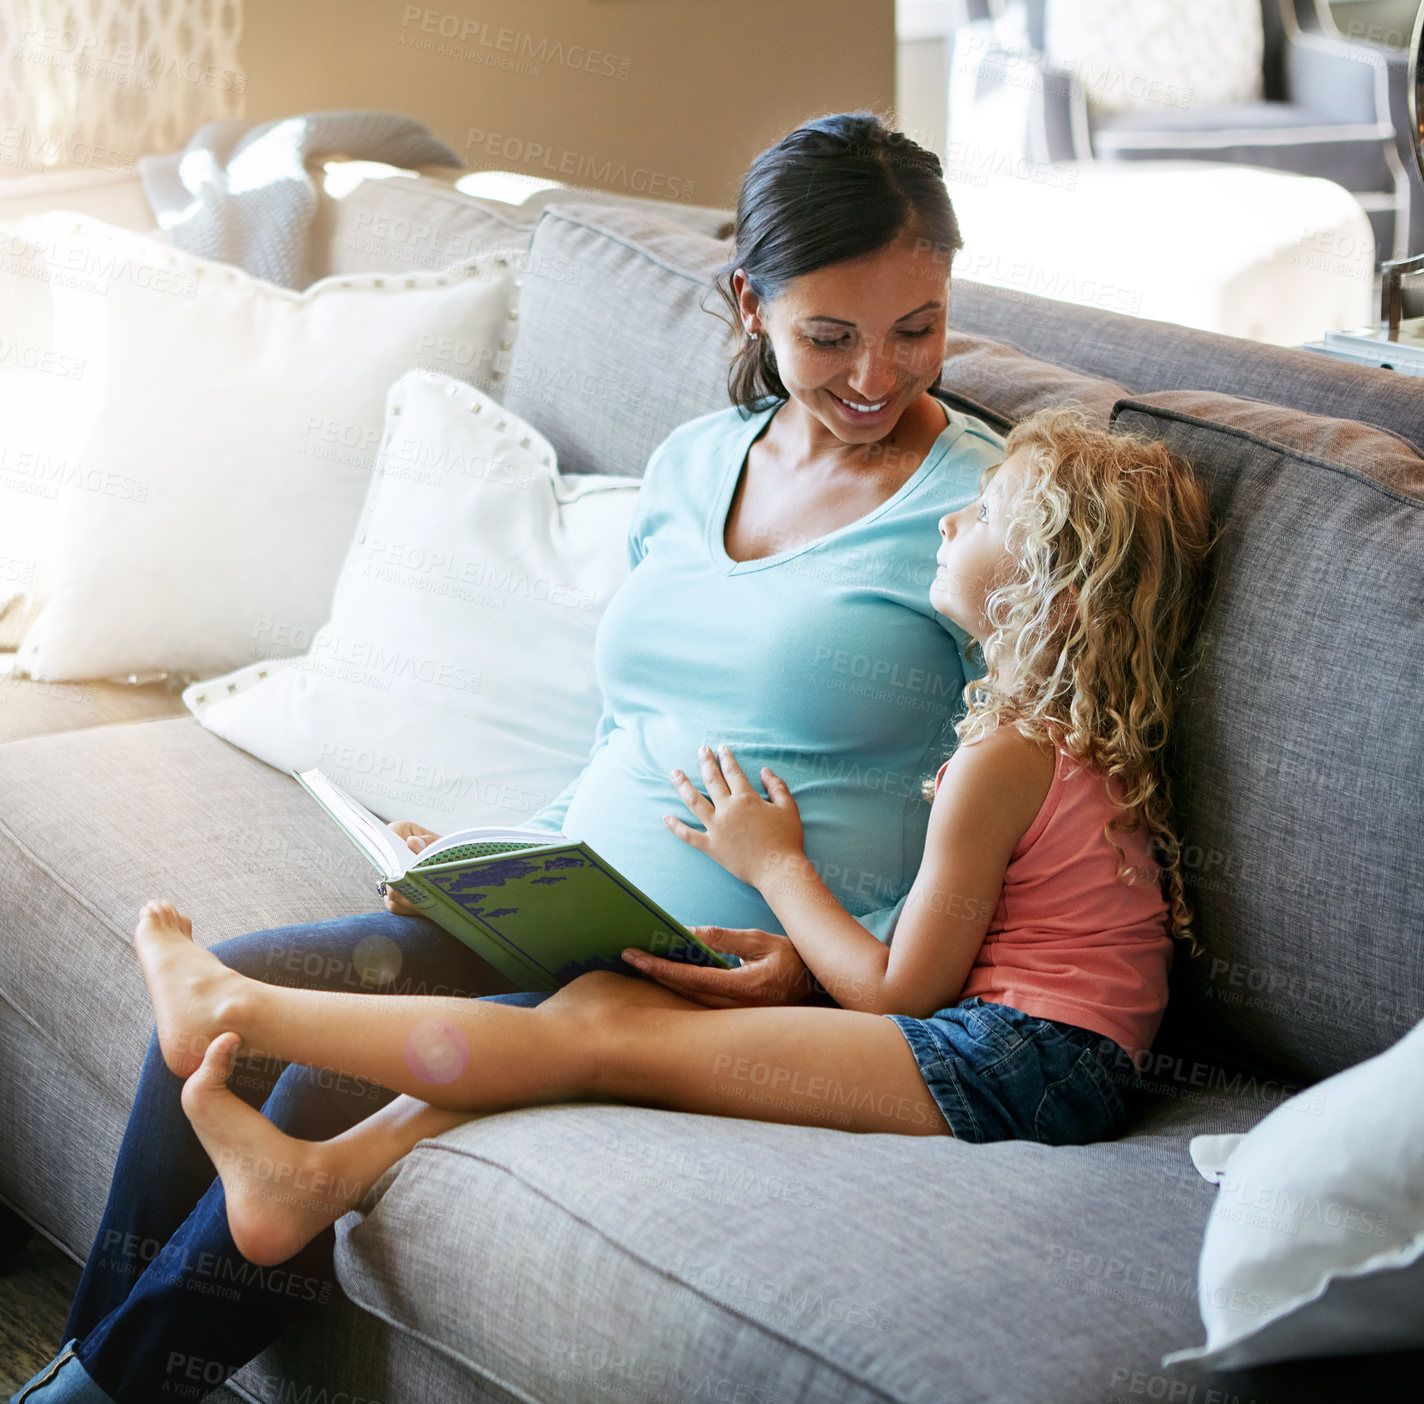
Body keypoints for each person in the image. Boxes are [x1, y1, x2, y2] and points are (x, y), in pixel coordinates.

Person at [5, 108, 1102, 1403]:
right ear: (750, 303)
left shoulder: (985, 513)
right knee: (231, 1001)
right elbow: (630, 726)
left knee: (327, 1075)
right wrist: (499, 849)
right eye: (831, 335)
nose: (880, 375)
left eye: (918, 328)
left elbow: (1024, 794)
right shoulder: (697, 465)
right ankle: (85, 1373)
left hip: (737, 979)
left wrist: (815, 959)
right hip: (562, 904)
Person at [116, 399, 1215, 1280]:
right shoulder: (1065, 741)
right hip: (1045, 1064)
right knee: (599, 1013)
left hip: (1016, 1071)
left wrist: (770, 861)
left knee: (600, 1033)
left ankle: (235, 1009)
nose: (945, 522)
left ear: (1050, 599)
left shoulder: (1003, 757)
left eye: (977, 519)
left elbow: (899, 991)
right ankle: (320, 1177)